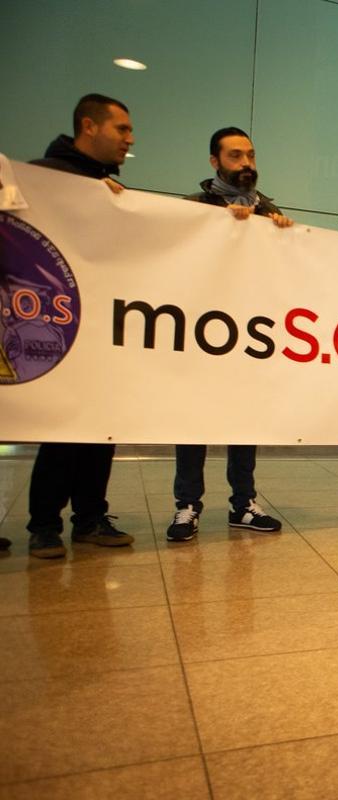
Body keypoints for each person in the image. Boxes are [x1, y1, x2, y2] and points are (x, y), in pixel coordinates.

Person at [166, 127, 293, 543]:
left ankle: (243, 503)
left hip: (251, 334)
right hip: (202, 332)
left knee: (245, 419)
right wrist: (220, 225)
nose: (246, 165)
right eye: (235, 156)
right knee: (194, 421)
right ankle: (187, 506)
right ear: (214, 161)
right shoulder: (195, 208)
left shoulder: (267, 210)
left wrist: (278, 232)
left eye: (251, 156)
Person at [24, 94, 136, 559]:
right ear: (89, 127)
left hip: (102, 326)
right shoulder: (43, 179)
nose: (130, 139)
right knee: (63, 429)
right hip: (56, 324)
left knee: (99, 428)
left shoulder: (104, 186)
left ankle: (90, 516)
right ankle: (44, 524)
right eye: (122, 129)